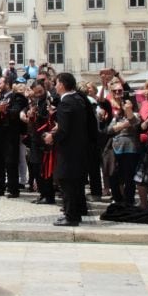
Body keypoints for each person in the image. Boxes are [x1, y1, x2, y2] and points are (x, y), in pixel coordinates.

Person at [46, 73, 89, 226]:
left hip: (69, 150)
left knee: (66, 181)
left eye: (56, 83)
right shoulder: (78, 99)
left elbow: (64, 130)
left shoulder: (66, 103)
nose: (55, 86)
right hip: (79, 148)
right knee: (75, 182)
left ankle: (70, 216)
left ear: (62, 84)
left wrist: (52, 137)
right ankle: (76, 213)